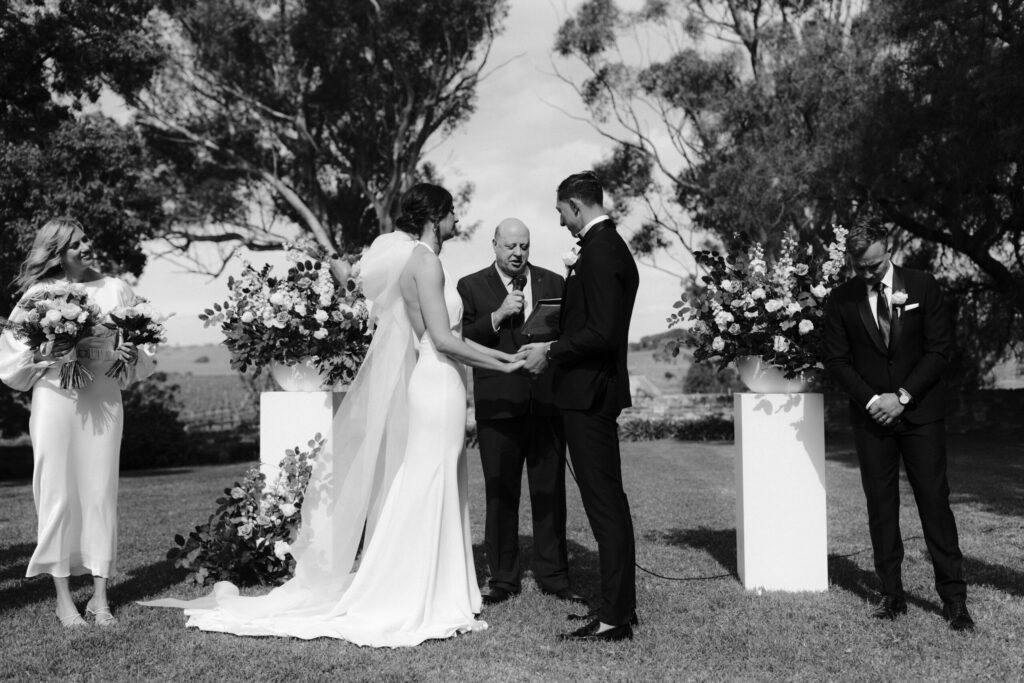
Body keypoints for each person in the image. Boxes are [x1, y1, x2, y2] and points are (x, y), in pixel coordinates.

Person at [143, 183, 525, 647]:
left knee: (433, 479)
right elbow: (442, 340)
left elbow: (427, 335)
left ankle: (439, 586)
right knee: (433, 480)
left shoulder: (408, 263)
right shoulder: (426, 261)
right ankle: (424, 591)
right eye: (450, 215)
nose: (455, 223)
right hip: (438, 380)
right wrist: (507, 361)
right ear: (437, 215)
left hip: (434, 379)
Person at [821, 215, 974, 632]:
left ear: (887, 249)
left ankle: (954, 599)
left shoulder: (923, 285)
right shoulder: (841, 299)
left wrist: (902, 397)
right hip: (872, 419)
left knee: (934, 502)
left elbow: (940, 351)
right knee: (881, 506)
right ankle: (892, 594)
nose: (867, 273)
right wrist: (874, 400)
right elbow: (836, 360)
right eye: (860, 267)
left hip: (921, 414)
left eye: (873, 264)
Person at [0, 217, 154, 628]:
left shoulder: (116, 288)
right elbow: (12, 360)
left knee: (100, 491)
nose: (86, 247)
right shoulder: (38, 294)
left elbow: (143, 345)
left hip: (102, 395)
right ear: (57, 254)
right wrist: (52, 353)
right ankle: (63, 599)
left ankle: (101, 598)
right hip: (54, 398)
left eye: (87, 239)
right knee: (56, 492)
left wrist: (129, 355)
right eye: (75, 244)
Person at [521, 172, 639, 642]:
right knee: (606, 504)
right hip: (589, 392)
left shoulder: (602, 251)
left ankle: (614, 618)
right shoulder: (602, 248)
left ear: (574, 206)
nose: (562, 222)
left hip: (590, 395)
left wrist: (550, 350)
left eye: (561, 213)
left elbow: (602, 333)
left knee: (605, 505)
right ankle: (619, 608)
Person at [456, 218, 583, 607]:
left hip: (545, 404)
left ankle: (554, 576)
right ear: (494, 245)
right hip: (498, 407)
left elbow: (568, 334)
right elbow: (462, 340)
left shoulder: (552, 281)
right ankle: (504, 579)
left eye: (524, 246)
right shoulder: (470, 285)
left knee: (549, 493)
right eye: (510, 246)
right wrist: (496, 315)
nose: (517, 253)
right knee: (501, 494)